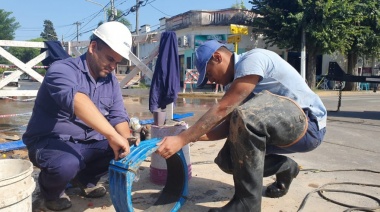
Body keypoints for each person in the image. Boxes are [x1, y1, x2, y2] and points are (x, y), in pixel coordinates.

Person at [156, 40, 327, 212]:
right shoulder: (236, 83)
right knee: (230, 160)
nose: (210, 80)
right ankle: (285, 167)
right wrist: (189, 136)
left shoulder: (252, 59)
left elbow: (223, 109)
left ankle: (247, 205)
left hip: (309, 125)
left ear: (217, 57)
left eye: (208, 73)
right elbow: (229, 125)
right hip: (283, 128)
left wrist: (182, 139)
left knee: (246, 116)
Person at [23, 21, 135, 211]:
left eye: (117, 62)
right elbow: (77, 100)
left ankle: (85, 180)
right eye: (110, 59)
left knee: (122, 148)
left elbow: (118, 116)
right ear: (93, 47)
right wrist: (112, 135)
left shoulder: (110, 81)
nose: (113, 67)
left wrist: (126, 139)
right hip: (52, 142)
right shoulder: (61, 69)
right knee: (66, 165)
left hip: (90, 142)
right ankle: (50, 193)